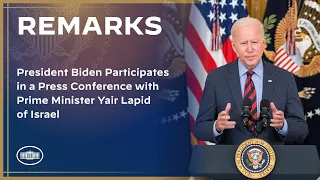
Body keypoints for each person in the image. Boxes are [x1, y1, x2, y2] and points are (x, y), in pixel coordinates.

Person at [194, 17, 308, 145]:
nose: (249, 49)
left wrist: (283, 125)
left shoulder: (285, 78)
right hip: (229, 161)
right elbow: (200, 128)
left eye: (254, 42)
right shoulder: (216, 78)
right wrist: (217, 126)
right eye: (243, 43)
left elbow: (302, 129)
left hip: (274, 160)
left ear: (263, 43)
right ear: (234, 46)